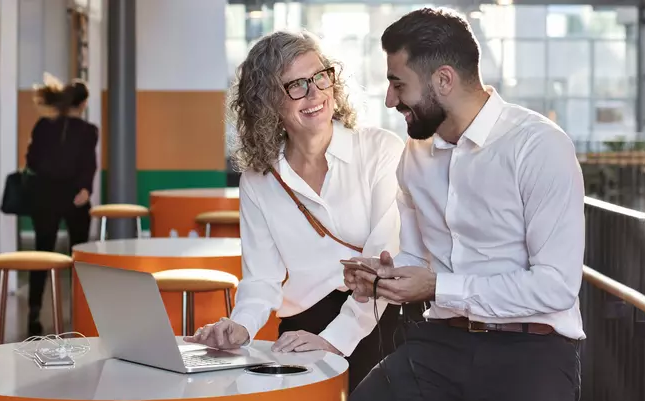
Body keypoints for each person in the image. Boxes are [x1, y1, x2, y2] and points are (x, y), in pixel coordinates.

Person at [344, 7, 585, 401]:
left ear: (443, 80)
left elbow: (555, 287)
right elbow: (420, 257)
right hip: (438, 343)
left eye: (398, 84)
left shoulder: (539, 146)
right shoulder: (415, 157)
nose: (390, 100)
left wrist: (440, 287)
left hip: (532, 351)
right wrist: (385, 277)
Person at [182, 30, 415, 390]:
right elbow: (262, 279)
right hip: (301, 330)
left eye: (320, 76)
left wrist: (334, 339)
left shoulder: (380, 150)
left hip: (381, 321)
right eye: (295, 85)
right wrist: (240, 326)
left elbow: (385, 262)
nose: (315, 93)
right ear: (267, 103)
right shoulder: (260, 179)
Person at [24, 75, 97, 337]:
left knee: (41, 256)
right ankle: (79, 312)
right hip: (76, 199)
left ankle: (34, 311)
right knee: (78, 257)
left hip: (44, 197)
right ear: (84, 103)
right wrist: (85, 189)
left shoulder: (43, 125)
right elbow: (89, 164)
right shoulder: (89, 131)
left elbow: (31, 160)